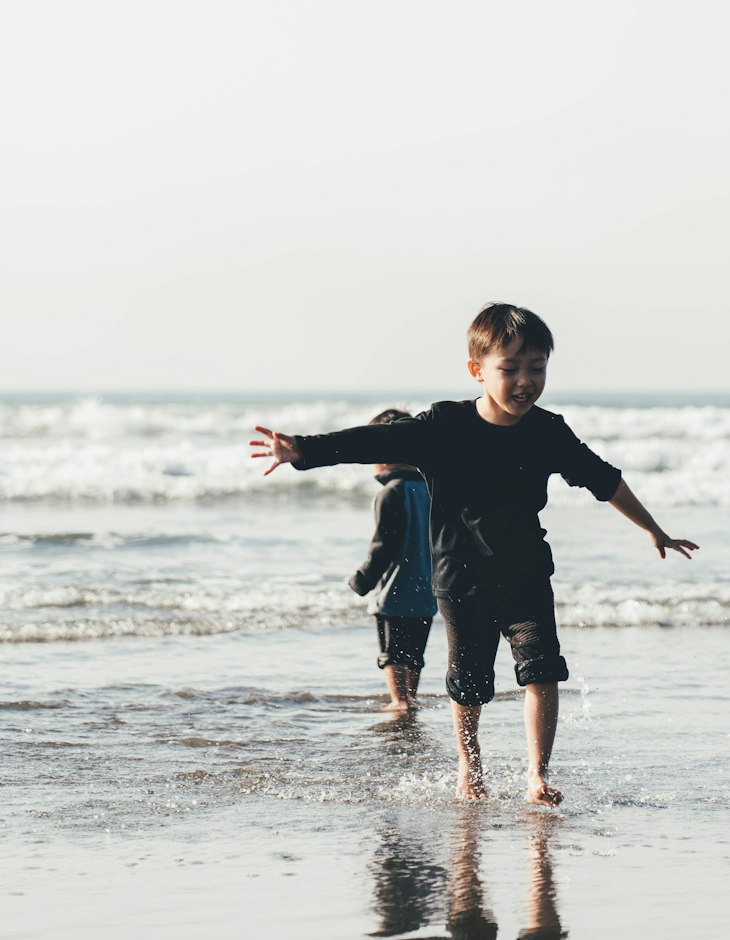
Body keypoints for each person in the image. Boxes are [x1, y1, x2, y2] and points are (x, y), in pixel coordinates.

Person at [251, 302, 698, 806]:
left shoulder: (549, 431)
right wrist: (303, 450)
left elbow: (605, 479)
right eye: (510, 370)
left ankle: (537, 774)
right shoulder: (445, 426)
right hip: (461, 579)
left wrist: (653, 529)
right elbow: (373, 439)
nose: (525, 382)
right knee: (468, 683)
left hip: (526, 573)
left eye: (537, 369)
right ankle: (470, 763)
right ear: (478, 371)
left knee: (542, 668)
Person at [350, 407, 436, 713]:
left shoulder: (391, 493)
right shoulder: (430, 490)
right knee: (414, 652)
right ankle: (410, 697)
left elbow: (383, 545)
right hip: (428, 589)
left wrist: (362, 580)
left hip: (395, 591)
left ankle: (398, 701)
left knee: (392, 652)